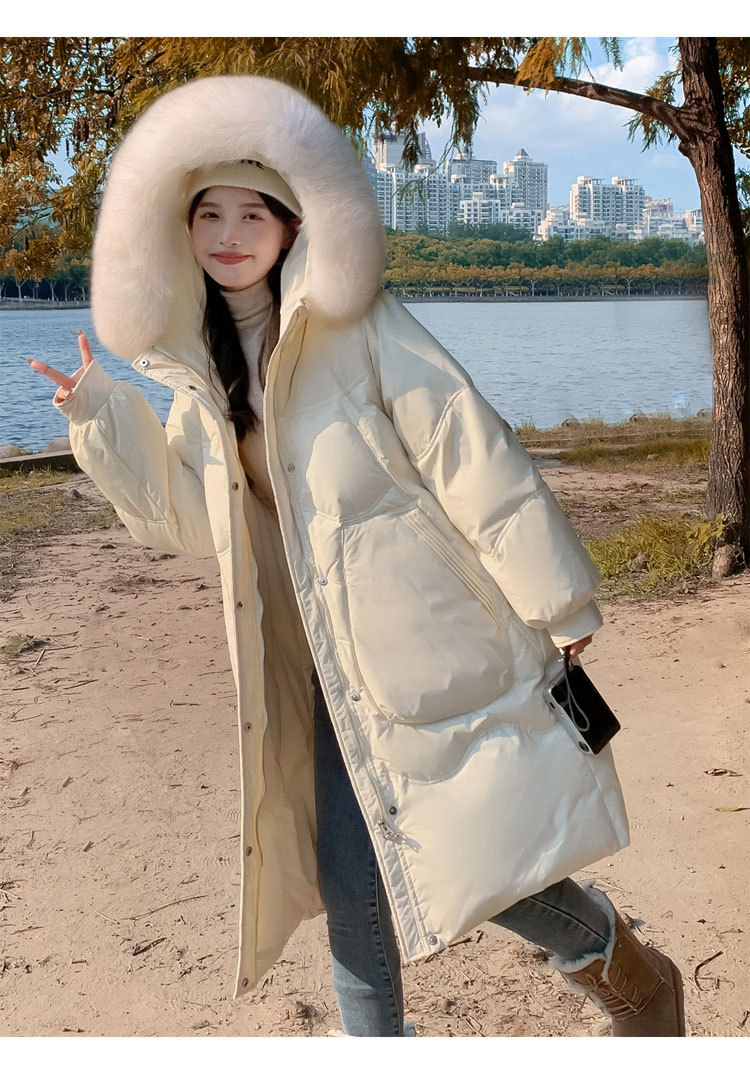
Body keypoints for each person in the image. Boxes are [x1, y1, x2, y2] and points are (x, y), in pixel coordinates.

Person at [29, 74, 684, 1037]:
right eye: (209, 214)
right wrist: (100, 416)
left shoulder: (358, 322)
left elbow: (464, 443)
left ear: (292, 226)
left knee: (479, 864)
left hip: (420, 648)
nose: (228, 234)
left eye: (252, 213)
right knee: (354, 885)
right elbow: (189, 524)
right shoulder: (196, 374)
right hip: (310, 672)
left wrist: (558, 599)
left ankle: (632, 976)